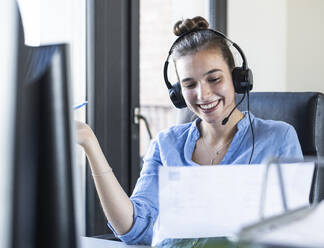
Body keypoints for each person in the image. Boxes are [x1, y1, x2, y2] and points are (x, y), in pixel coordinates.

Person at [76, 16, 303, 245]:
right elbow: (136, 229)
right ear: (178, 92)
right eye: (189, 84)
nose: (202, 95)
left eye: (214, 79)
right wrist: (90, 144)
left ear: (237, 78)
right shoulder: (166, 143)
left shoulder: (278, 138)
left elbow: (290, 232)